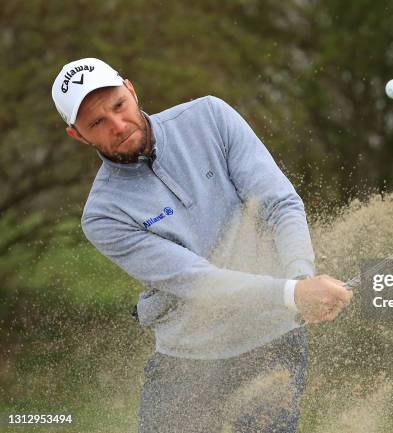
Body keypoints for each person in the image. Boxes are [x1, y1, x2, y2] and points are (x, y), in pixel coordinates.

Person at [51, 58, 353, 432]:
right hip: (187, 360)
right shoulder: (103, 215)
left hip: (272, 343)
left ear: (131, 90)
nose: (118, 125)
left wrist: (300, 276)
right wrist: (293, 293)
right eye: (97, 122)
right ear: (77, 135)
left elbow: (280, 203)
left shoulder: (209, 118)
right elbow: (197, 281)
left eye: (118, 106)